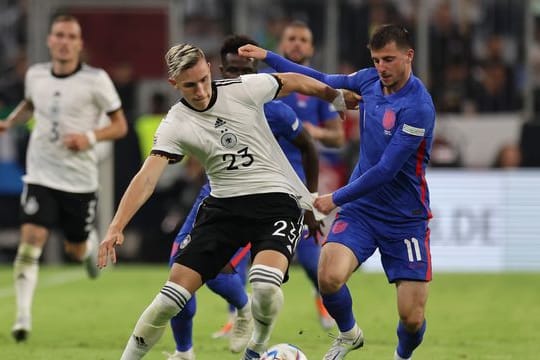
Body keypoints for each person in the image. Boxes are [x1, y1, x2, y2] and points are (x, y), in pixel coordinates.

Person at [97, 43, 352, 360]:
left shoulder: (242, 89)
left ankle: (256, 346)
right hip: (224, 207)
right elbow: (146, 177)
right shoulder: (176, 122)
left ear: (208, 68)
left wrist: (335, 96)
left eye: (204, 79)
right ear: (173, 83)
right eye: (190, 85)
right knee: (169, 298)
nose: (201, 90)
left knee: (264, 285)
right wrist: (116, 226)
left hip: (276, 201)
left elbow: (295, 80)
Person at [239, 24, 435, 360]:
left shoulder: (418, 107)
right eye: (376, 60)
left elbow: (386, 171)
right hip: (362, 211)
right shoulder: (370, 80)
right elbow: (322, 79)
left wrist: (333, 199)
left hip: (405, 219)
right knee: (328, 276)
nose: (382, 68)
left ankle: (402, 355)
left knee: (411, 318)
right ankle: (348, 334)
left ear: (409, 56)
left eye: (389, 59)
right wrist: (269, 57)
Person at [164, 34, 321, 360]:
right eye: (234, 70)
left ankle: (335, 323)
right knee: (181, 265)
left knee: (309, 269)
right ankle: (189, 347)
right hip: (220, 198)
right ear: (221, 69)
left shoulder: (273, 111)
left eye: (248, 70)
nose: (241, 78)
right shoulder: (203, 107)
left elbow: (309, 147)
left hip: (275, 200)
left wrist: (310, 199)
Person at [0, 14, 128, 343]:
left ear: (79, 43)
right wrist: (10, 122)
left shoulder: (95, 80)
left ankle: (86, 247)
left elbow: (120, 126)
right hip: (41, 173)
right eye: (59, 35)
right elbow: (30, 104)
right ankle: (23, 317)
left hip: (79, 180)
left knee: (73, 249)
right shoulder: (36, 75)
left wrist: (89, 136)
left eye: (71, 36)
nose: (64, 41)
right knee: (31, 240)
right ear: (49, 40)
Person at [275, 20, 346, 330]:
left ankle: (324, 299)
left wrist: (313, 130)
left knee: (307, 252)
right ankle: (235, 313)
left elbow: (339, 137)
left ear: (312, 48)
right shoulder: (268, 80)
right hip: (264, 176)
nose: (297, 44)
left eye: (304, 40)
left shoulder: (318, 88)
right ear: (281, 44)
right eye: (292, 38)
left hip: (303, 180)